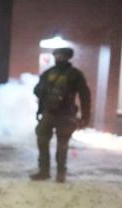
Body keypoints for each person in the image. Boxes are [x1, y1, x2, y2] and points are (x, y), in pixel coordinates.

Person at [31, 47, 91, 183]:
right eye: (57, 55)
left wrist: (85, 116)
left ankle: (60, 173)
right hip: (49, 113)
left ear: (67, 57)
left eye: (61, 56)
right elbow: (38, 91)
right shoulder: (49, 73)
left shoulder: (75, 75)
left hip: (66, 114)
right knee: (42, 140)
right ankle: (44, 171)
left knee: (62, 144)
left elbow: (84, 96)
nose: (59, 58)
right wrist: (40, 105)